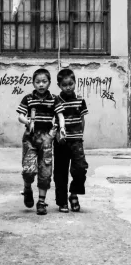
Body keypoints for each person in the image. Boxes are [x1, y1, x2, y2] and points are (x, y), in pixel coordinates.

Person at [16, 68, 65, 215]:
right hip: (30, 139)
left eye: (44, 81)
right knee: (28, 170)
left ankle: (41, 202)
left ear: (49, 83)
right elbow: (20, 115)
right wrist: (27, 120)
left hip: (46, 139)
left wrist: (62, 128)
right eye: (38, 82)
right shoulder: (28, 98)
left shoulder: (54, 99)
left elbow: (60, 115)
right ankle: (27, 189)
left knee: (45, 171)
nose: (41, 85)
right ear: (33, 83)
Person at [54, 68, 89, 213]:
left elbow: (82, 119)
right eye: (64, 85)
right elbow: (54, 119)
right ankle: (62, 202)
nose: (68, 87)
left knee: (80, 168)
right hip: (61, 142)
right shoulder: (56, 100)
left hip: (77, 141)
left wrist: (80, 135)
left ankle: (73, 194)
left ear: (75, 83)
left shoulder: (80, 100)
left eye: (71, 84)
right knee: (60, 172)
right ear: (59, 85)